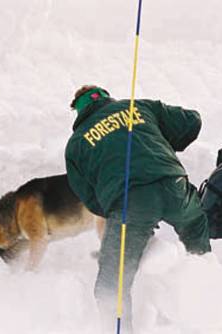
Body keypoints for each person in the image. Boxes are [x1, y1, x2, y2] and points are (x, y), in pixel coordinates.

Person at [65, 85, 211, 332]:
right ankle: (209, 300)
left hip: (130, 203)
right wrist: (162, 143)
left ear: (78, 111)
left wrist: (116, 211)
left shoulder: (76, 144)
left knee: (112, 284)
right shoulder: (138, 107)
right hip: (174, 185)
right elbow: (191, 121)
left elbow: (89, 198)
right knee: (195, 227)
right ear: (105, 96)